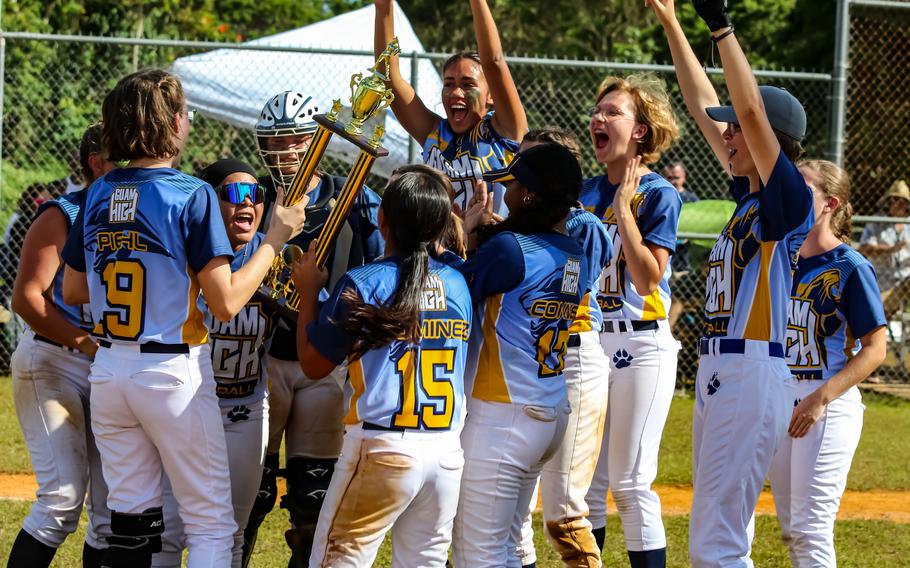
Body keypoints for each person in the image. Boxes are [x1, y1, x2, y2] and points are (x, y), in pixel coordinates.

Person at [60, 68, 307, 568]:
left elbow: (71, 289)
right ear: (174, 122)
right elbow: (226, 302)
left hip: (110, 369)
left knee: (130, 520)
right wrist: (276, 238)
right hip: (172, 370)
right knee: (213, 524)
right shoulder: (189, 192)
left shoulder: (99, 192)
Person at [648, 1, 814, 565]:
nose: (728, 134)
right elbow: (705, 108)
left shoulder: (787, 199)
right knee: (715, 529)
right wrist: (673, 22)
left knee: (716, 539)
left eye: (737, 130)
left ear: (766, 136)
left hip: (752, 368)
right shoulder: (749, 195)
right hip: (725, 371)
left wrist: (721, 26)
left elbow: (748, 108)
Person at [291, 166, 470, 568]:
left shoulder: (364, 280)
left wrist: (307, 294)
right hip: (445, 452)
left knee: (336, 561)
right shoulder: (459, 284)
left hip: (382, 445)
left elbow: (314, 364)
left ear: (381, 220)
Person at [246, 90, 384, 567]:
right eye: (274, 142)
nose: (284, 152)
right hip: (264, 356)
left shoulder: (353, 197)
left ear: (317, 140)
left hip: (324, 359)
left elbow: (375, 263)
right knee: (251, 494)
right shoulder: (253, 198)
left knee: (313, 498)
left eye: (294, 140)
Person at [452, 142, 592, 567]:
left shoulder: (512, 247)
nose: (506, 195)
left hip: (505, 415)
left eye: (513, 186)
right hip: (546, 410)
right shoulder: (575, 251)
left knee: (478, 551)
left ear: (531, 194)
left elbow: (453, 289)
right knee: (510, 543)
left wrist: (463, 232)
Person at [152, 159, 279, 568]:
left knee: (232, 532)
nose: (246, 204)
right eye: (233, 194)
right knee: (169, 529)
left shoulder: (272, 255)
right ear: (208, 200)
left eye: (255, 194)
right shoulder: (185, 250)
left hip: (243, 406)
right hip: (188, 405)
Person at [578, 73, 682, 568]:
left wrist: (623, 211)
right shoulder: (585, 191)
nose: (599, 119)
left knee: (632, 480)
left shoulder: (658, 193)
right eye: (598, 111)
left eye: (612, 112)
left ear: (640, 130)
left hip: (642, 346)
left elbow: (646, 279)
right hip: (593, 344)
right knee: (590, 480)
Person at [770, 159, 887, 567]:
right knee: (789, 528)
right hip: (780, 398)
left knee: (809, 530)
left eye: (802, 188)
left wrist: (821, 398)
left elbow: (876, 347)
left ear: (829, 203)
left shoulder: (850, 266)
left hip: (825, 403)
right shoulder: (780, 255)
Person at [7, 123, 114, 568]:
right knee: (61, 501)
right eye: (123, 157)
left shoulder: (138, 213)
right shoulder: (64, 212)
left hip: (109, 366)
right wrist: (86, 344)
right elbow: (26, 298)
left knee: (112, 513)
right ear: (96, 163)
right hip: (54, 359)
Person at [514, 128, 613, 568]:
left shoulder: (583, 226)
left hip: (570, 357)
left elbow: (564, 293)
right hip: (527, 360)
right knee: (512, 508)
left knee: (565, 511)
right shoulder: (516, 223)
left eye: (531, 168)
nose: (519, 180)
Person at [373, 0, 526, 215]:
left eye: (467, 85)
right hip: (444, 247)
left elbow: (493, 61)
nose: (455, 93)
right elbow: (388, 79)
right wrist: (383, 9)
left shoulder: (506, 130)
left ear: (491, 95)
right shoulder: (434, 132)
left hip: (495, 245)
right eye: (449, 84)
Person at [857, 179, 910, 319]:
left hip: (906, 279)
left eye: (902, 200)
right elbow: (864, 248)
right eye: (895, 199)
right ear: (889, 201)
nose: (898, 203)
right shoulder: (877, 222)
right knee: (876, 314)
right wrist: (891, 249)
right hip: (883, 281)